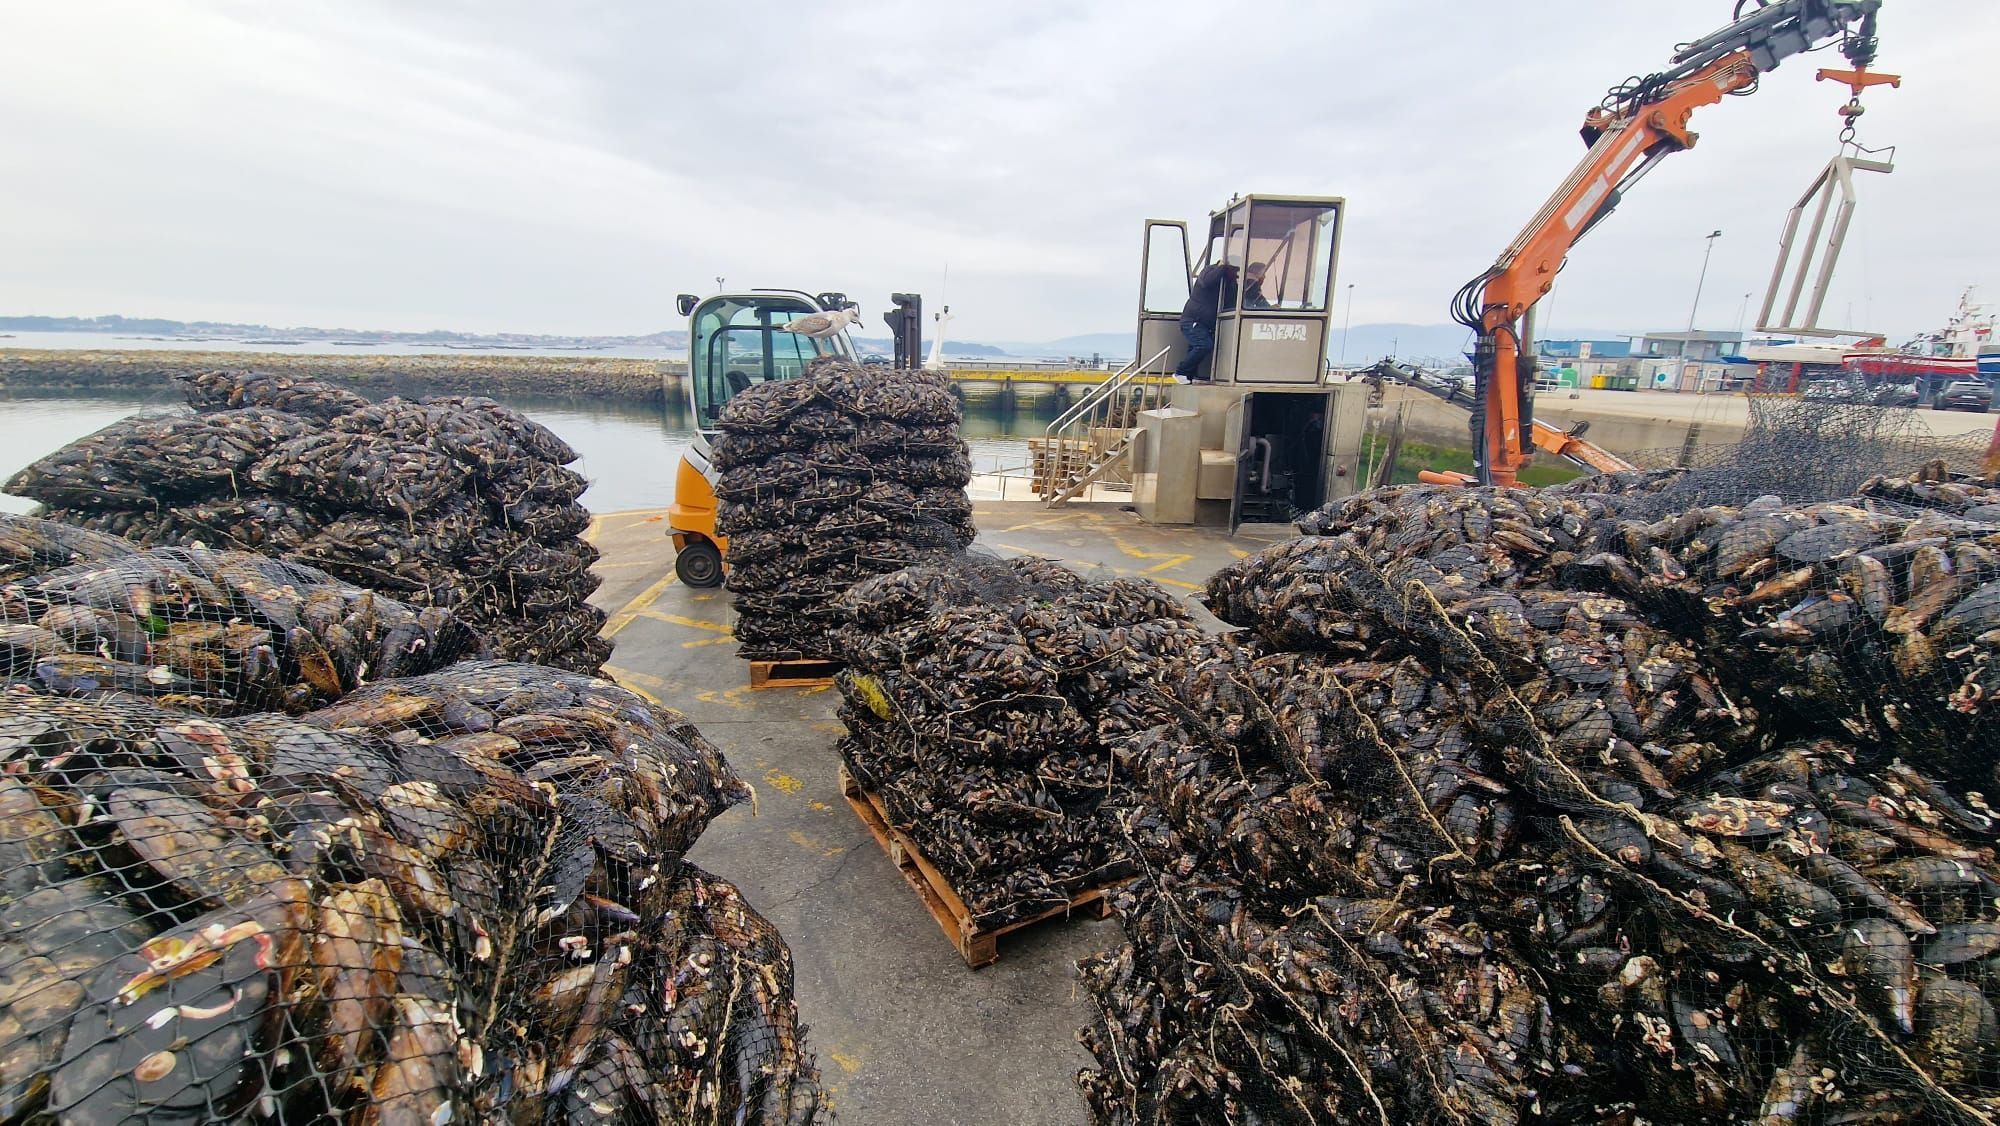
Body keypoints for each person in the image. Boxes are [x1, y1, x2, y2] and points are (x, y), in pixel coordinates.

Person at [1174, 259, 1269, 383]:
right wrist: (1222, 268)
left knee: (1196, 347)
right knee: (1203, 345)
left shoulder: (1228, 284)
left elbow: (1237, 299)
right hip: (1193, 319)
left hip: (1204, 323)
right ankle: (1181, 372)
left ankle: (1189, 376)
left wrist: (1254, 285)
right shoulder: (1208, 272)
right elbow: (1207, 281)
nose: (1234, 274)